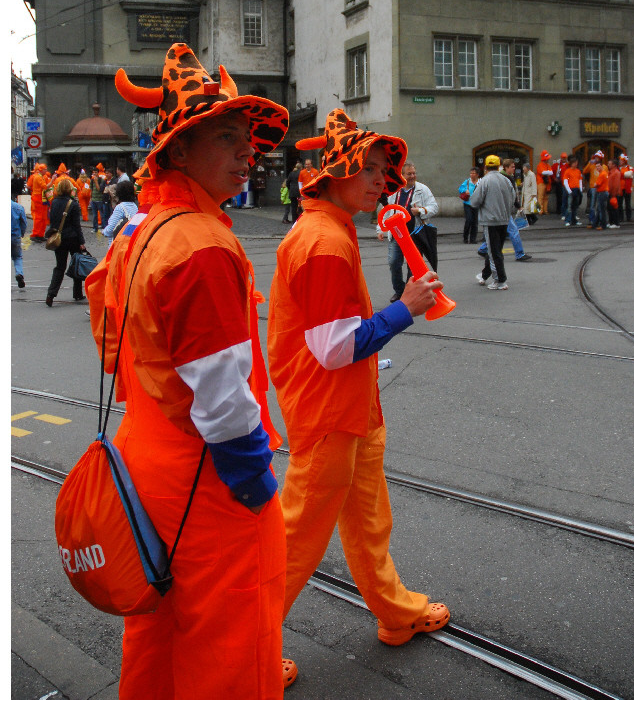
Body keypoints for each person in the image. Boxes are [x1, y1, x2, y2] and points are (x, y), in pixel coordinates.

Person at [85, 43, 289, 699]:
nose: (246, 152)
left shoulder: (142, 230)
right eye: (227, 138)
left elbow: (111, 335)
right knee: (232, 641)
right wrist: (252, 478)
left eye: (247, 139)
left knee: (158, 628)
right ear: (176, 151)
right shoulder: (202, 243)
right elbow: (224, 398)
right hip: (206, 479)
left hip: (145, 461)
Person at [267, 108, 450, 681]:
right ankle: (247, 644)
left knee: (369, 522)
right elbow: (334, 347)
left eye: (381, 170)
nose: (379, 180)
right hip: (329, 411)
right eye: (368, 168)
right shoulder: (322, 241)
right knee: (295, 539)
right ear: (338, 169)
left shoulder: (330, 229)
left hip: (350, 410)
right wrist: (406, 309)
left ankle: (395, 612)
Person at [376, 160, 439, 302]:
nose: (412, 176)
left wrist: (421, 211)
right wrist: (380, 229)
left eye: (414, 173)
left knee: (413, 268)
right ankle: (399, 291)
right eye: (409, 174)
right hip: (396, 235)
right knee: (394, 263)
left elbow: (434, 207)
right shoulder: (394, 190)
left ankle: (412, 295)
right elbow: (386, 210)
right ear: (402, 175)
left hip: (414, 235)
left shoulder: (423, 189)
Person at [469, 154, 515, 290]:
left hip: (490, 221)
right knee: (496, 249)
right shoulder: (506, 180)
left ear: (485, 167)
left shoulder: (485, 181)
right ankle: (485, 275)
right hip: (504, 219)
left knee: (493, 251)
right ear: (499, 166)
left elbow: (474, 201)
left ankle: (500, 280)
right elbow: (513, 198)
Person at [477, 160, 532, 262]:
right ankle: (519, 254)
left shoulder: (502, 177)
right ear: (506, 168)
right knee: (513, 231)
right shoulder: (505, 178)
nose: (514, 169)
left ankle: (483, 249)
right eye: (512, 167)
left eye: (514, 167)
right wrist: (518, 206)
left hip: (500, 210)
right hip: (503, 211)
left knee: (500, 233)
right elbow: (510, 195)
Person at [45, 177, 87, 306]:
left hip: (59, 239)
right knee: (76, 265)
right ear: (70, 189)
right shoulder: (73, 204)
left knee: (59, 267)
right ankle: (78, 293)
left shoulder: (54, 202)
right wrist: (82, 241)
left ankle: (51, 294)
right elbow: (77, 225)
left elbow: (51, 220)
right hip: (73, 238)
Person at [101, 180, 138, 246]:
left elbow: (111, 229)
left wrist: (104, 231)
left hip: (118, 244)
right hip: (131, 242)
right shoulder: (135, 206)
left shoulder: (120, 208)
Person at [11, 177, 27, 289]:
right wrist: (22, 233)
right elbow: (24, 222)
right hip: (15, 236)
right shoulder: (18, 207)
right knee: (17, 257)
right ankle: (19, 273)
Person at [29, 163, 49, 241]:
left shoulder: (39, 177)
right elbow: (45, 186)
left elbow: (28, 185)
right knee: (39, 217)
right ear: (41, 170)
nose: (46, 170)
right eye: (45, 169)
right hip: (38, 198)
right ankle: (35, 234)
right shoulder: (38, 177)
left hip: (42, 198)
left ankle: (40, 234)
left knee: (43, 217)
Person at [583, 151, 604, 227]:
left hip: (601, 188)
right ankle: (591, 220)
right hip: (593, 188)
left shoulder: (604, 167)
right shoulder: (591, 166)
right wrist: (589, 162)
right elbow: (584, 171)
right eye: (595, 157)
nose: (596, 159)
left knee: (599, 205)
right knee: (592, 205)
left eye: (597, 157)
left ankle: (599, 220)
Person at [458, 167, 479, 243]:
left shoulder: (480, 182)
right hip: (467, 203)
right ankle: (465, 237)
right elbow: (460, 189)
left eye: (473, 173)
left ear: (477, 174)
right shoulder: (467, 182)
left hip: (476, 204)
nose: (472, 175)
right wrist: (465, 190)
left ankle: (473, 239)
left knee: (475, 222)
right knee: (469, 220)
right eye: (471, 173)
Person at [563, 155, 583, 227]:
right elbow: (565, 181)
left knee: (575, 206)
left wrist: (580, 190)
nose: (576, 164)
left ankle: (574, 220)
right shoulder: (568, 171)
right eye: (574, 163)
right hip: (571, 190)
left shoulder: (578, 171)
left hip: (577, 190)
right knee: (569, 206)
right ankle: (567, 220)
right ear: (571, 163)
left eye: (576, 162)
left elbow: (580, 180)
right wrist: (569, 191)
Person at [535, 150, 553, 216]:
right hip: (541, 183)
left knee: (546, 197)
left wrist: (547, 172)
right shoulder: (540, 165)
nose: (548, 159)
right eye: (547, 158)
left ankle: (545, 210)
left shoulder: (548, 165)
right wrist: (547, 172)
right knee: (540, 197)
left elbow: (551, 173)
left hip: (547, 183)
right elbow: (542, 172)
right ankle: (540, 211)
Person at [90, 166, 107, 232]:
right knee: (94, 215)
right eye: (93, 172)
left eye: (95, 172)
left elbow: (99, 189)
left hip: (99, 200)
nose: (94, 174)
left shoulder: (101, 180)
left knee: (102, 214)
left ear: (98, 173)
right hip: (93, 200)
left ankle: (103, 227)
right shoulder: (91, 180)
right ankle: (95, 228)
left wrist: (96, 181)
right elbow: (91, 189)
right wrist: (90, 198)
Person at [594, 160, 610, 230]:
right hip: (604, 192)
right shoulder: (604, 173)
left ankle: (603, 225)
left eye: (598, 166)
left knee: (601, 210)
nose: (597, 168)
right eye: (596, 166)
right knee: (600, 209)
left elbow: (597, 184)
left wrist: (594, 184)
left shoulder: (602, 174)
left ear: (601, 166)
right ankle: (595, 223)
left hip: (602, 192)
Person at [606, 159, 621, 228]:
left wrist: (613, 194)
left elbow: (616, 185)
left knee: (614, 209)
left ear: (614, 165)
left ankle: (616, 223)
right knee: (610, 208)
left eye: (609, 164)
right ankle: (611, 222)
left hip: (614, 194)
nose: (608, 165)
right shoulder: (611, 172)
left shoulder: (616, 173)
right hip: (610, 193)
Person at [619, 154, 634, 222]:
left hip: (627, 188)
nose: (620, 161)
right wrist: (625, 175)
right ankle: (620, 218)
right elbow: (627, 175)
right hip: (620, 188)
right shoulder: (618, 168)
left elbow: (630, 174)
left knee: (628, 204)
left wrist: (622, 175)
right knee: (620, 204)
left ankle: (629, 218)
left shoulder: (630, 167)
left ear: (625, 161)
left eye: (621, 160)